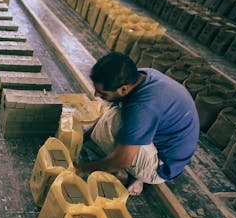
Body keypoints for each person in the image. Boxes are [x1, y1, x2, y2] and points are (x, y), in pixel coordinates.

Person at [75, 52, 199, 195]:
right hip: (164, 144)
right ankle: (133, 164)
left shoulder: (142, 108)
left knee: (112, 122)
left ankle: (140, 175)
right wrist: (82, 139)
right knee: (113, 112)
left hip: (162, 167)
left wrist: (84, 168)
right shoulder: (142, 76)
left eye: (102, 92)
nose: (96, 95)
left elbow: (123, 160)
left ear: (123, 89)